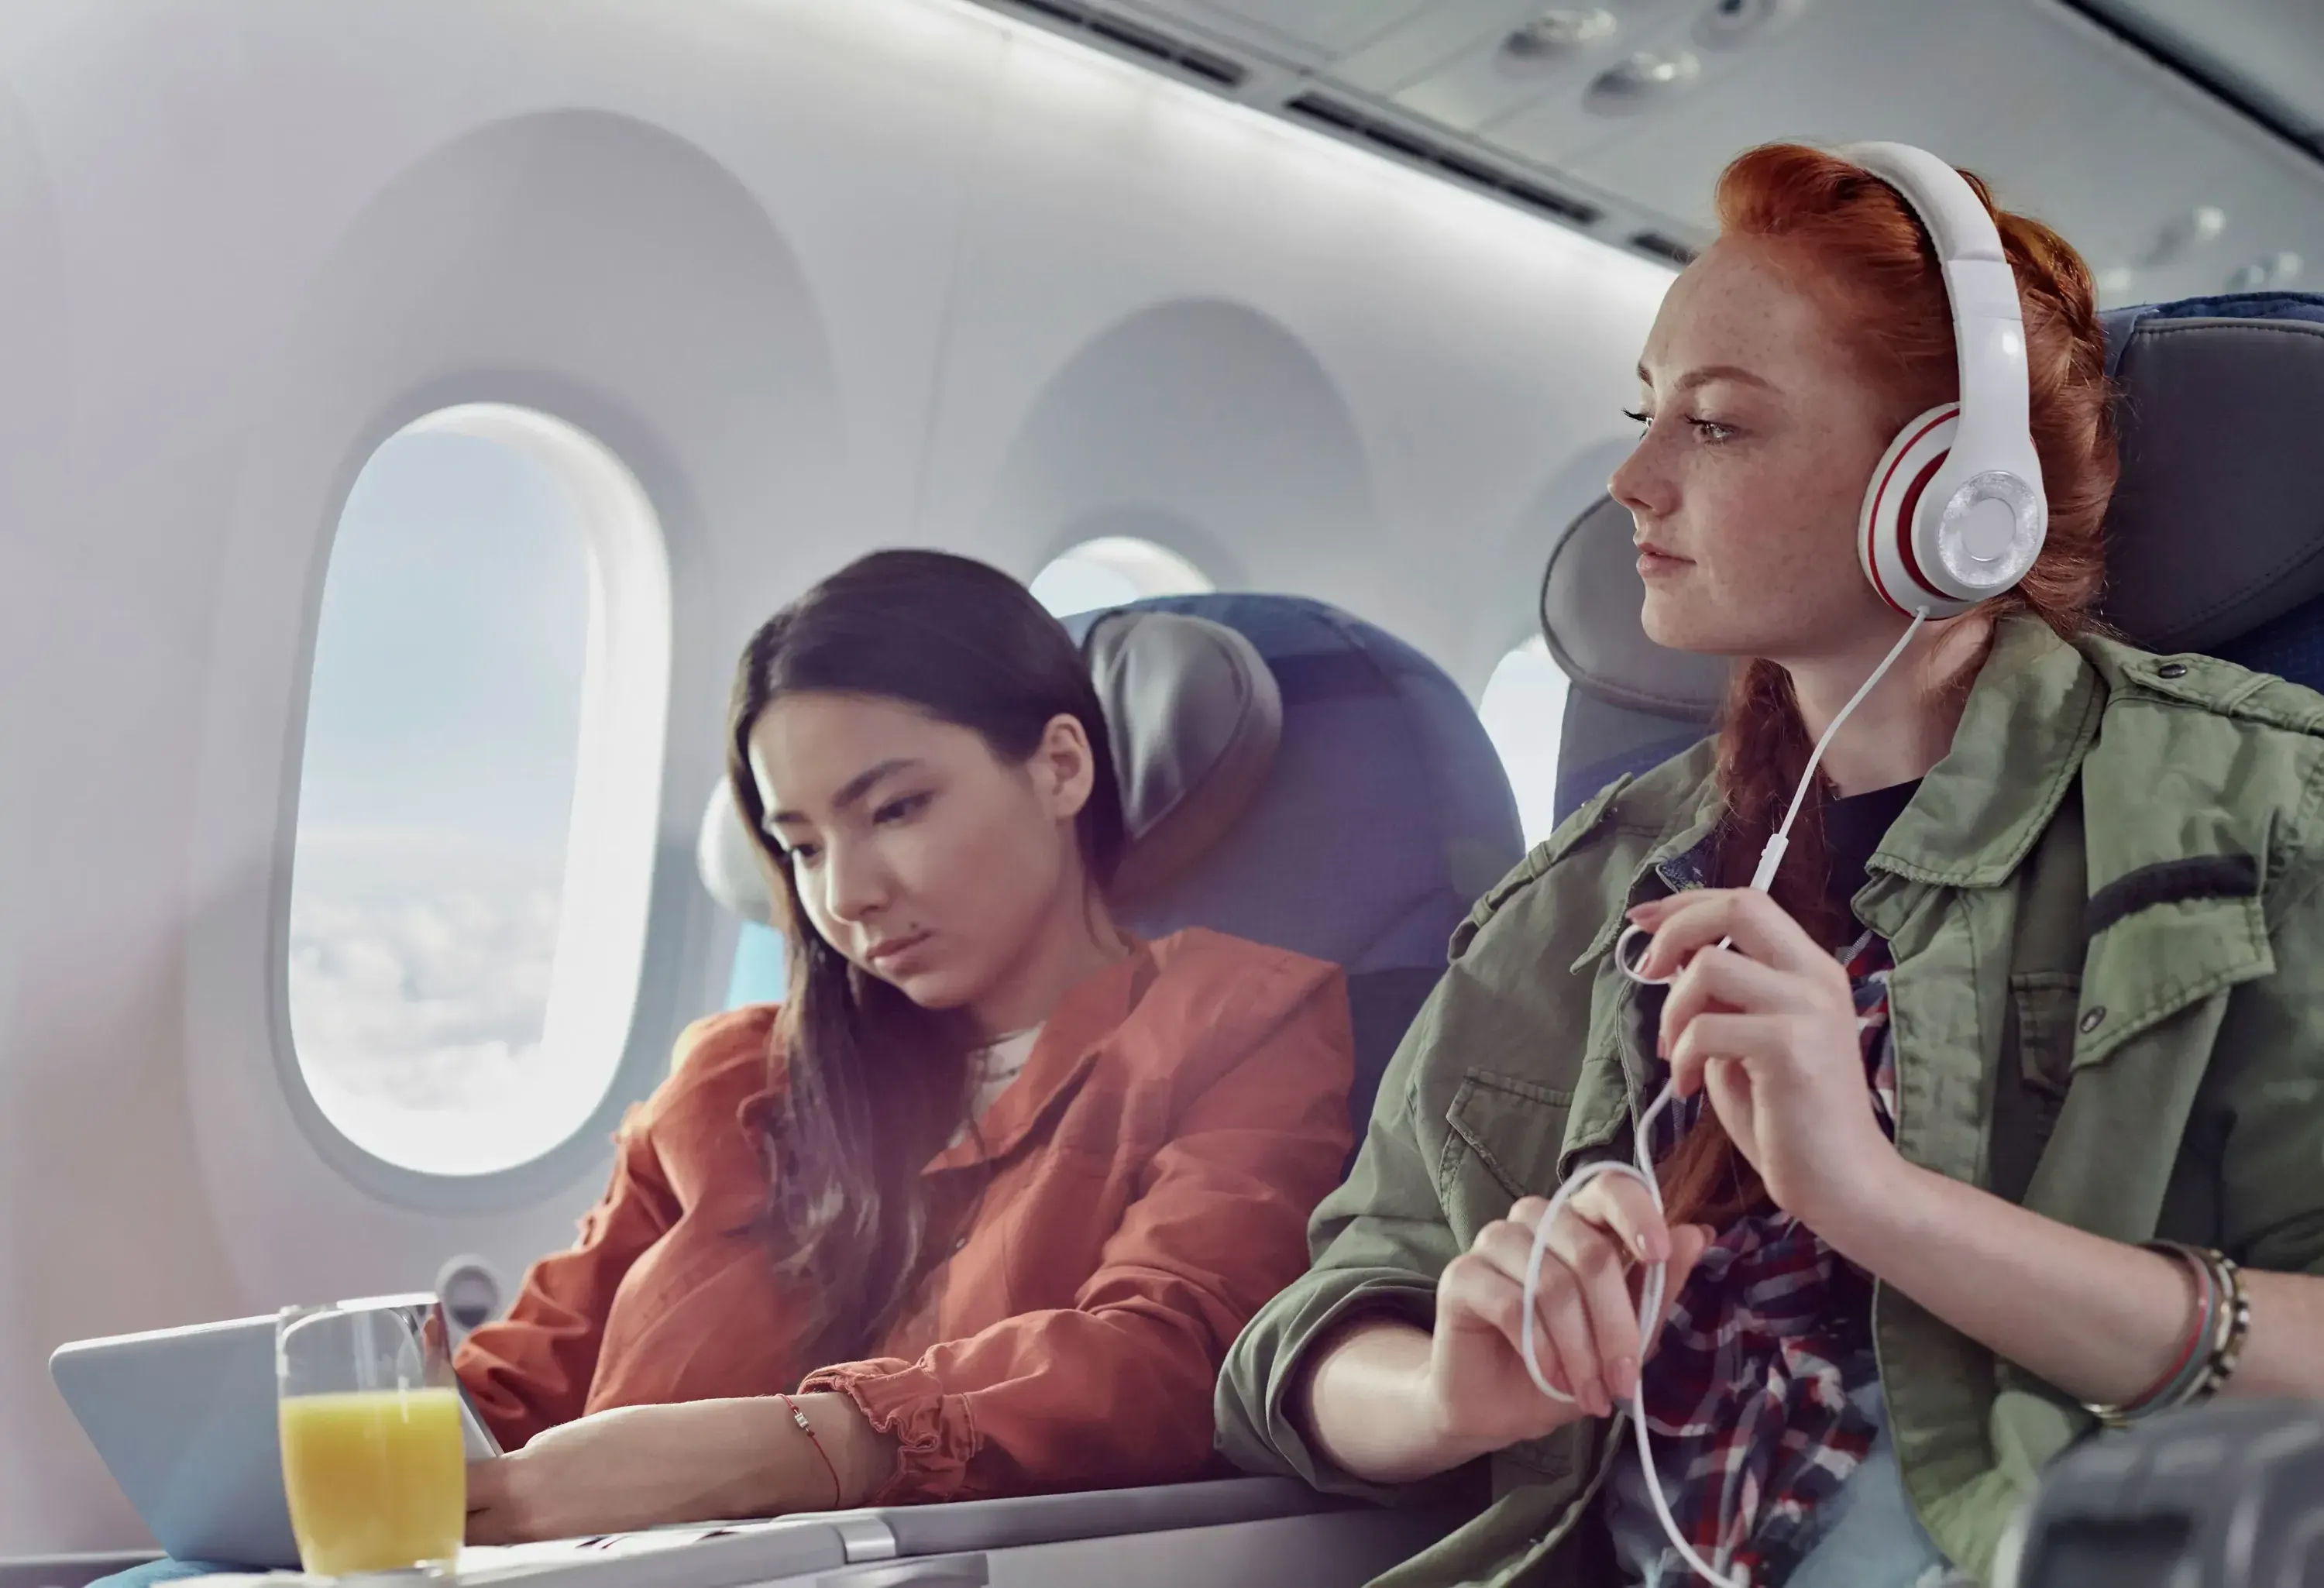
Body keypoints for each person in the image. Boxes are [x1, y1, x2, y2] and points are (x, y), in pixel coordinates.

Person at [1215, 143, 2324, 1588]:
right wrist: (1447, 1389)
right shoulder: (1593, 890)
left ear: (1946, 490)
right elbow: (1299, 1342)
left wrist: (1877, 1200)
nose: (1630, 480)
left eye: (1720, 428)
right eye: (1643, 414)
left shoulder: (2260, 807)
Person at [452, 549, 1354, 1542]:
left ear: (1061, 765)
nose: (845, 895)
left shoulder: (1237, 1022)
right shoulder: (733, 1083)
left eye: (894, 810)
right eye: (802, 847)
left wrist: (795, 1448)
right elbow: (510, 1394)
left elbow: (1173, 1360)